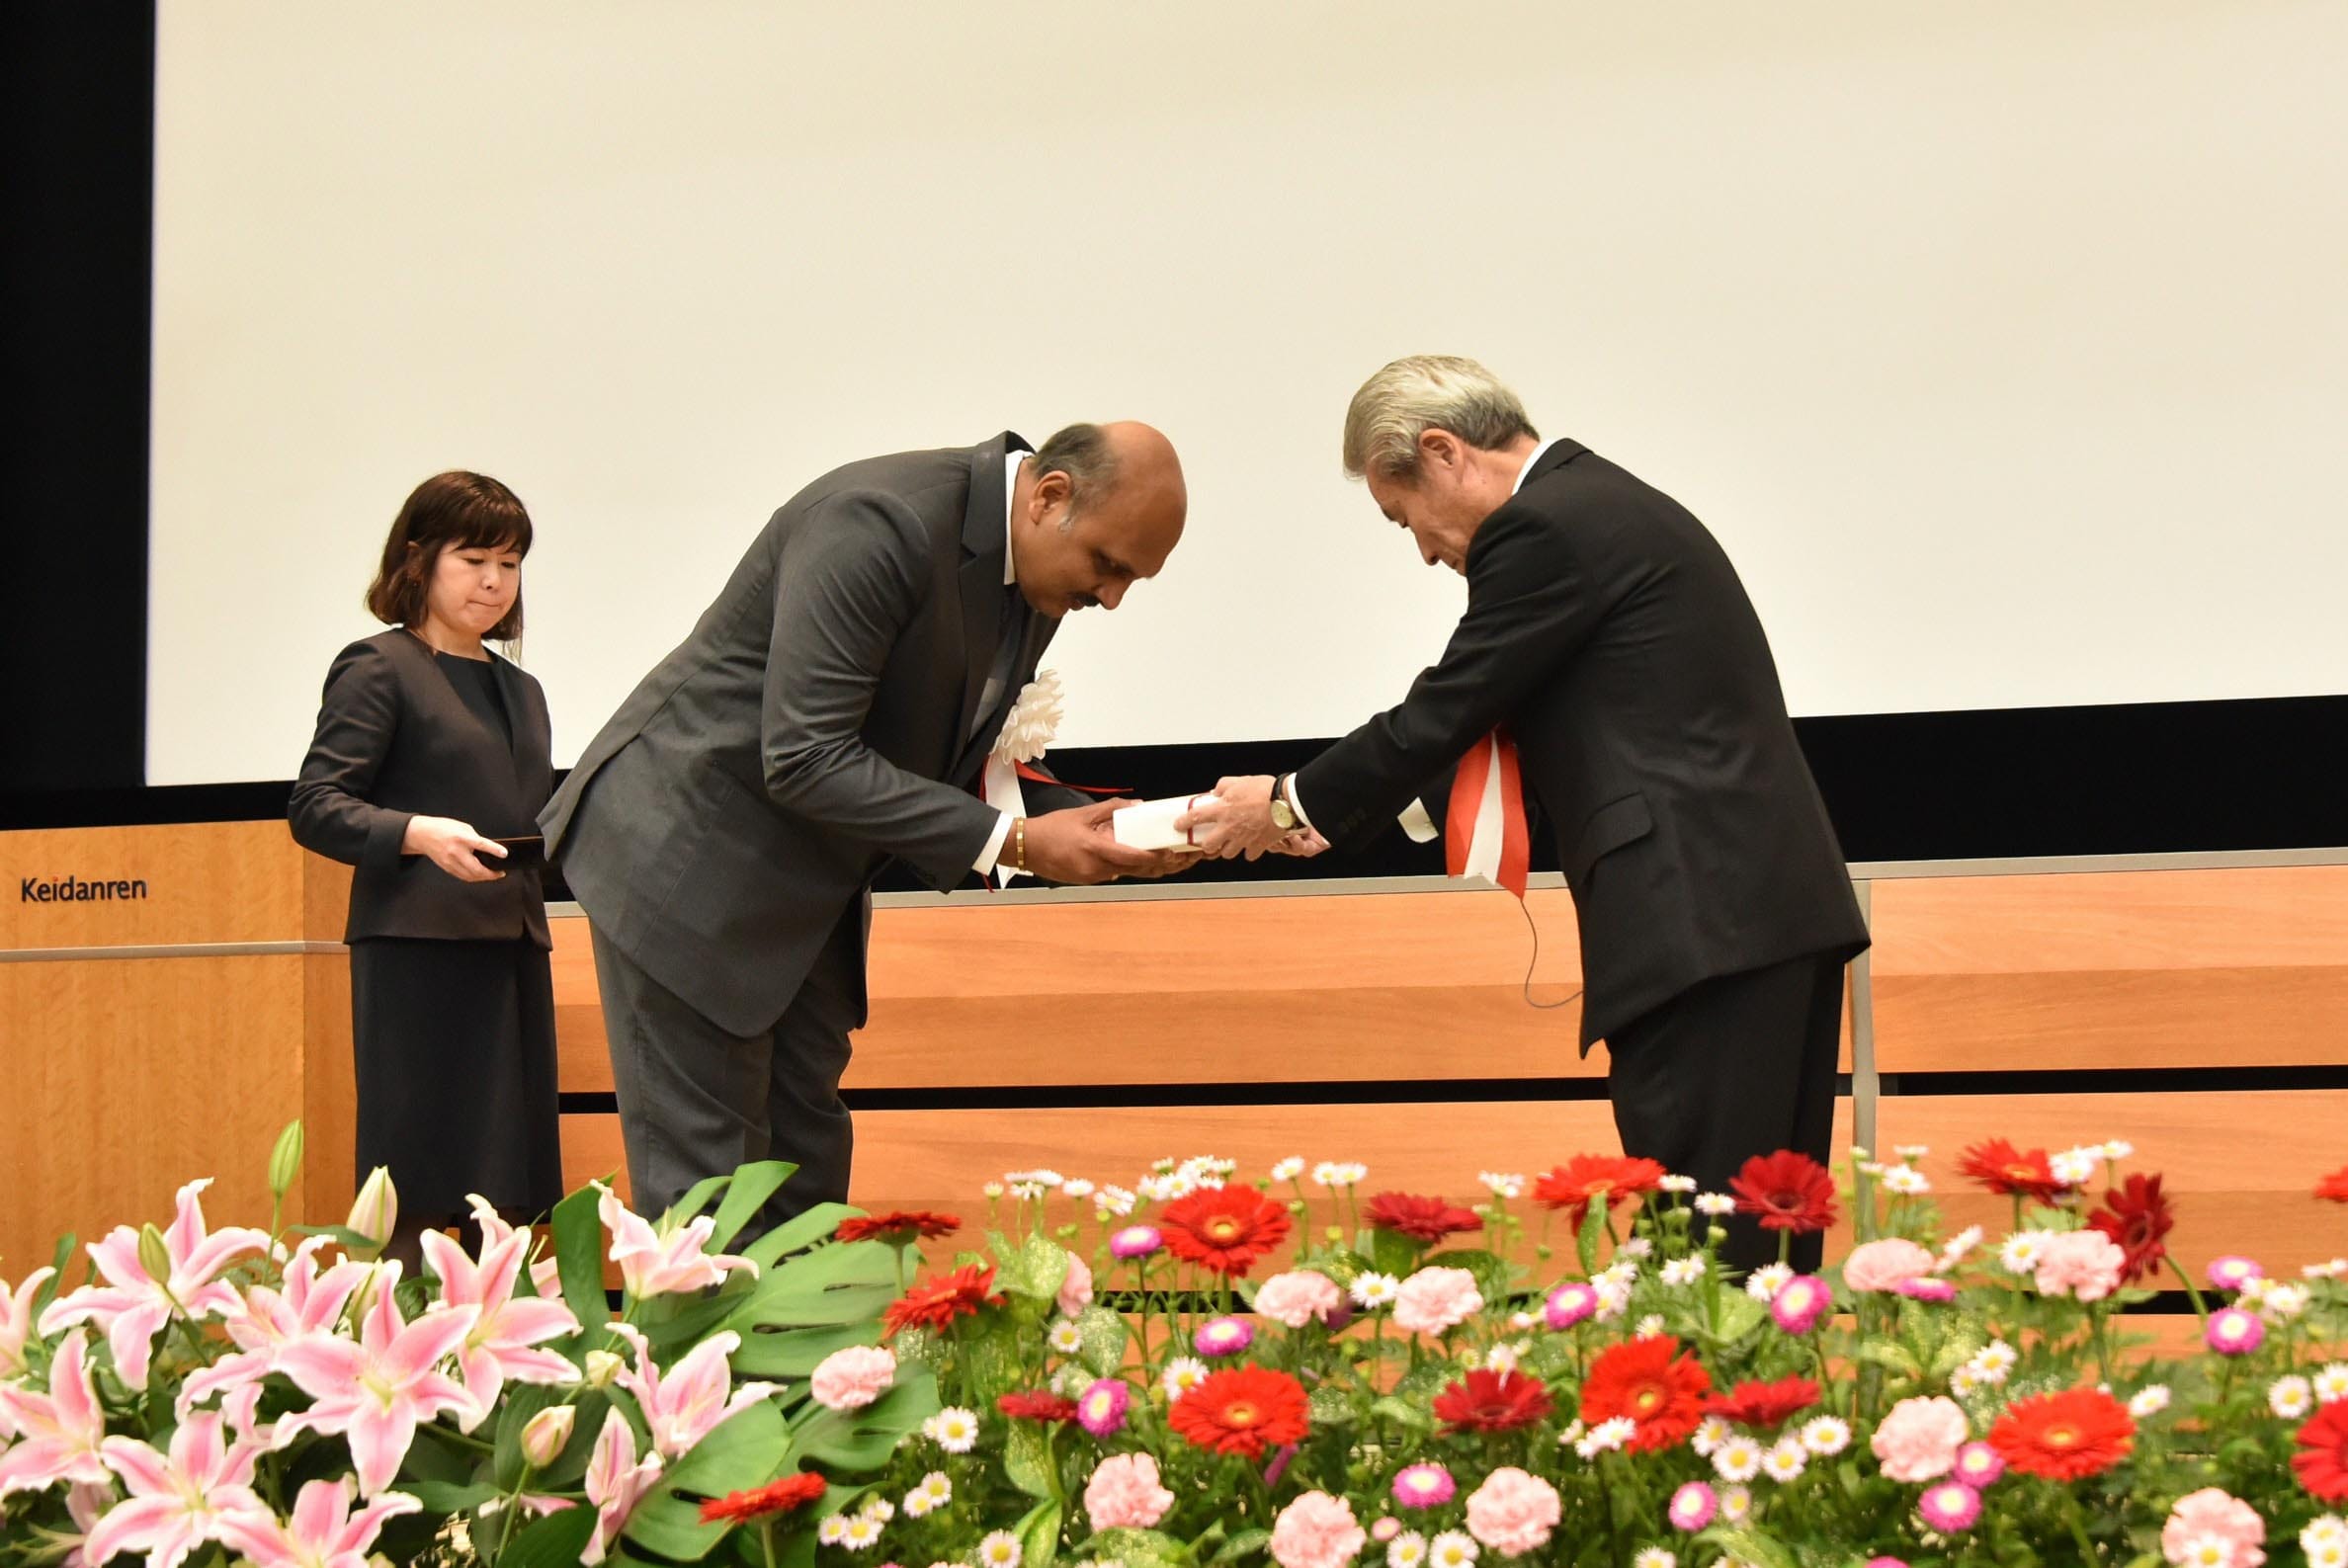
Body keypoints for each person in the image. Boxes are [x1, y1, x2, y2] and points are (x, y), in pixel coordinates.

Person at [1186, 357, 1870, 1273]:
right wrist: (1336, 821)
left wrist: (1287, 800)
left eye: (1404, 518)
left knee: (1704, 1256)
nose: (1425, 550)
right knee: (1763, 1246)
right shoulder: (1603, 506)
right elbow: (1535, 726)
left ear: (1442, 451)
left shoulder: (1542, 526)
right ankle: (1763, 1415)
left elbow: (1450, 704)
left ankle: (1719, 1415)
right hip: (1755, 912)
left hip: (1700, 922)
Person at [541, 424, 1192, 1228]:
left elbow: (939, 752)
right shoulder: (877, 520)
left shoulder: (1035, 574)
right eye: (1108, 564)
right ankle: (715, 1362)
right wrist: (1019, 844)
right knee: (709, 1199)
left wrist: (1109, 829)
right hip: (689, 863)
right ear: (1048, 495)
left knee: (805, 1178)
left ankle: (808, 1361)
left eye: (1134, 578)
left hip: (804, 888)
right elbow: (807, 755)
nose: (1114, 597)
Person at [290, 471, 561, 1267]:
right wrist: (415, 832)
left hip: (512, 950)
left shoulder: (524, 688)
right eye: (473, 557)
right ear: (418, 560)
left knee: (510, 1182)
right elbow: (315, 803)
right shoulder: (378, 667)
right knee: (414, 1175)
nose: (492, 582)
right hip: (416, 954)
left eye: (509, 564)